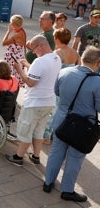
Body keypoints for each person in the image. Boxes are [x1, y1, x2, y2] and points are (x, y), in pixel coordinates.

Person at [43, 46, 100, 203]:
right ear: (98, 63)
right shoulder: (97, 82)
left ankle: (47, 183)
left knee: (56, 152)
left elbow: (57, 92)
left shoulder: (64, 71)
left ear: (82, 57)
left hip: (61, 120)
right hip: (82, 127)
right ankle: (67, 190)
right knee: (75, 158)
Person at [4, 35, 62, 166]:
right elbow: (42, 74)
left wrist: (19, 70)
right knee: (39, 130)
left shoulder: (39, 62)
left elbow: (30, 82)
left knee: (26, 129)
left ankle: (18, 157)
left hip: (35, 102)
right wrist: (28, 65)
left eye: (33, 49)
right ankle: (36, 156)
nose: (33, 52)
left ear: (41, 45)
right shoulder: (56, 58)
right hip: (49, 102)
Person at [2, 15, 27, 86]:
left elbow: (4, 43)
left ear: (13, 24)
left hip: (13, 60)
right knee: (16, 81)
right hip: (18, 58)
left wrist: (8, 31)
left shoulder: (17, 35)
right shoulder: (22, 31)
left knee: (10, 80)